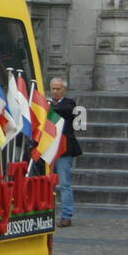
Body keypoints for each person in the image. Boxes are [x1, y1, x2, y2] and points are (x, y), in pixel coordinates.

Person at [50, 77, 83, 227]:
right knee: (47, 184)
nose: (55, 91)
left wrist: (46, 107)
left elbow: (65, 110)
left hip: (64, 150)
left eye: (58, 89)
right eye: (53, 88)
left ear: (64, 90)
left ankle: (66, 215)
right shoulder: (47, 103)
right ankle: (47, 213)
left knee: (64, 184)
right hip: (49, 150)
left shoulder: (69, 103)